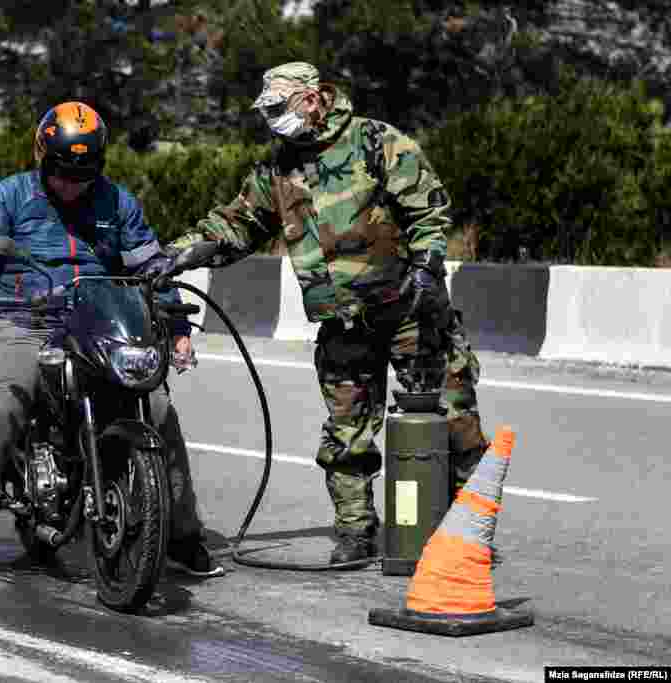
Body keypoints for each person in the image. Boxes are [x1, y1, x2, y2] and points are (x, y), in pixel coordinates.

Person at [161, 62, 490, 566]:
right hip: (344, 322)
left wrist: (428, 266)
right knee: (346, 435)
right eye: (266, 111)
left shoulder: (375, 142)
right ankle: (356, 532)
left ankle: (467, 533)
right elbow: (235, 225)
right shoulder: (278, 169)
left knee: (455, 424)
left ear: (313, 100)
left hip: (412, 312)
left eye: (279, 107)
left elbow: (428, 210)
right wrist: (178, 253)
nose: (272, 119)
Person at [0, 101, 224, 588]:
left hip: (98, 323)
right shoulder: (7, 197)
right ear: (41, 157)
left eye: (84, 174)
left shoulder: (118, 203)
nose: (72, 184)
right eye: (62, 173)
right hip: (27, 322)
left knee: (158, 409)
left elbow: (151, 270)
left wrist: (177, 328)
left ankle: (180, 532)